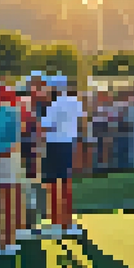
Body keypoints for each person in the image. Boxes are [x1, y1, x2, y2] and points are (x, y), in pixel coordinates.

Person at [41, 74, 85, 237]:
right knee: (67, 184)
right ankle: (68, 222)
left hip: (54, 145)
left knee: (53, 185)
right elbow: (81, 123)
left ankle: (55, 223)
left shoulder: (53, 106)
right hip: (69, 144)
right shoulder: (76, 103)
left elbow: (45, 127)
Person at [0, 85, 23, 254]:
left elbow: (13, 142)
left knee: (7, 202)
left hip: (6, 160)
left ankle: (9, 241)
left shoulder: (11, 113)